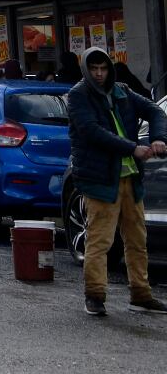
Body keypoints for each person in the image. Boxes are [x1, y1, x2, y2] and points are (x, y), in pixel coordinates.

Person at [66, 47, 167, 317]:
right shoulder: (78, 95)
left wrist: (159, 138)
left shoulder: (122, 91)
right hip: (100, 179)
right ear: (86, 70)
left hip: (130, 177)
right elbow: (91, 132)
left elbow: (156, 111)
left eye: (104, 69)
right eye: (94, 69)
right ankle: (95, 295)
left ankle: (141, 294)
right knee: (100, 240)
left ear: (110, 68)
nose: (99, 74)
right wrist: (131, 148)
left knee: (137, 239)